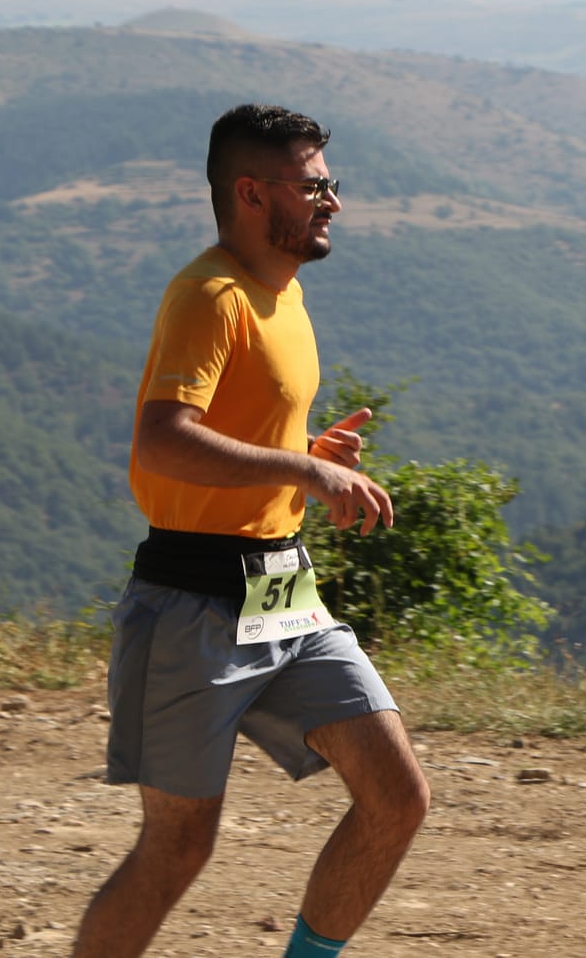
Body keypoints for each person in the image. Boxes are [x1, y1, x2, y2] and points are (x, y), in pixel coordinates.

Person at [74, 104, 430, 958]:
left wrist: (302, 450)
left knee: (397, 795)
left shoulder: (285, 295)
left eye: (329, 183)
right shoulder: (210, 294)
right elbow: (162, 436)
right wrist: (306, 470)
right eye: (314, 185)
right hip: (190, 602)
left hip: (283, 588)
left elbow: (236, 438)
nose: (332, 200)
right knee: (178, 847)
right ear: (251, 191)